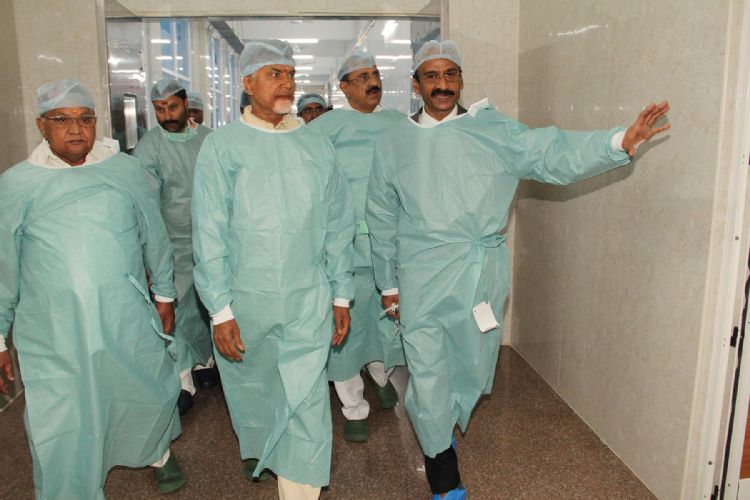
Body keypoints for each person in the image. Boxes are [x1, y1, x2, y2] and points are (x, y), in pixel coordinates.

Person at [365, 40, 671, 499]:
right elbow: (380, 213)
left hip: (477, 274)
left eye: (450, 74)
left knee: (471, 367)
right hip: (419, 274)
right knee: (426, 375)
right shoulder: (393, 141)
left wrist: (616, 143)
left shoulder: (492, 130)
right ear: (415, 84)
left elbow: (549, 151)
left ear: (461, 80)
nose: (442, 84)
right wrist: (388, 283)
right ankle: (443, 474)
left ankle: (439, 423)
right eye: (431, 76)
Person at [0, 79, 186, 498]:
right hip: (52, 329)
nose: (75, 129)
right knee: (59, 414)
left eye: (85, 119)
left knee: (142, 389)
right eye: (61, 119)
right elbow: (3, 266)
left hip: (123, 314)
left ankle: (156, 452)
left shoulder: (125, 171)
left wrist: (164, 295)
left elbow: (154, 235)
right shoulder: (17, 184)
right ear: (41, 125)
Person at [191, 39, 355, 499]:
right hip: (247, 301)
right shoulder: (223, 147)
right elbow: (209, 233)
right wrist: (220, 310)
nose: (286, 83)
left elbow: (338, 224)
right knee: (258, 392)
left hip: (308, 298)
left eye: (290, 74)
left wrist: (341, 294)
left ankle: (299, 488)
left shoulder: (315, 144)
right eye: (274, 74)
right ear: (248, 83)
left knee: (307, 401)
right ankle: (272, 454)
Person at [309, 51, 406, 442]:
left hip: (389, 246)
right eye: (362, 76)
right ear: (344, 87)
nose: (373, 81)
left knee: (386, 323)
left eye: (376, 74)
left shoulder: (400, 125)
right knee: (345, 329)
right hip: (344, 248)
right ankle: (353, 406)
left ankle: (381, 376)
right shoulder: (325, 129)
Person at [134, 78, 217, 417]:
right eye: (159, 109)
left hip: (211, 238)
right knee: (175, 307)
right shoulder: (149, 148)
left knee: (207, 302)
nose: (167, 115)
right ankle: (183, 379)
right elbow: (146, 204)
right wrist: (148, 253)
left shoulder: (210, 140)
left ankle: (205, 360)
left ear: (186, 105)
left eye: (172, 107)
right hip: (170, 241)